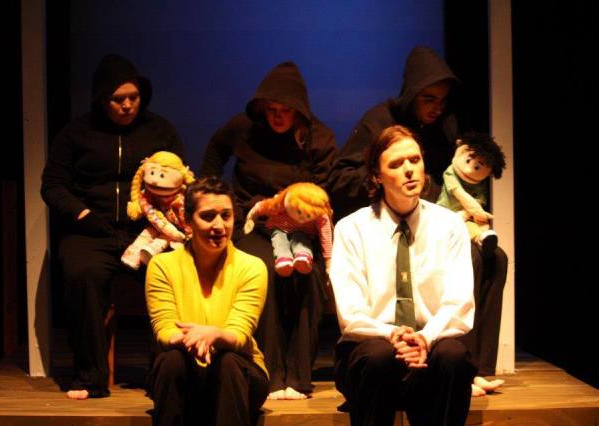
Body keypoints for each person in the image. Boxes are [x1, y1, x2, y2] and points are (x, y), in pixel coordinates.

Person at [328, 46, 507, 395]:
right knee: (468, 257)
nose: (436, 107)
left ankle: (477, 367)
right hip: (388, 217)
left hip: (437, 219)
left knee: (494, 258)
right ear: (411, 94)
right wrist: (392, 190)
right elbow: (339, 178)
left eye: (442, 100)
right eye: (428, 99)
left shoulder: (444, 125)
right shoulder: (378, 120)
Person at [41, 54, 185, 399]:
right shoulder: (76, 133)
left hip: (147, 229)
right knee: (82, 275)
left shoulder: (160, 130)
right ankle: (90, 376)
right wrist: (82, 214)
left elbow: (179, 176)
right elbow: (53, 185)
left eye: (133, 98)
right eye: (118, 99)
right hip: (91, 231)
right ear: (102, 99)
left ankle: (165, 373)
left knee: (172, 272)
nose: (127, 105)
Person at [200, 61, 338, 400]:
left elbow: (323, 192)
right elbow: (215, 152)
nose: (277, 116)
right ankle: (271, 375)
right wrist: (218, 199)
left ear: (299, 110)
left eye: (285, 110)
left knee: (307, 276)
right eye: (271, 109)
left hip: (301, 228)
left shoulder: (318, 138)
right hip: (255, 223)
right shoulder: (244, 128)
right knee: (262, 271)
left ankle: (299, 377)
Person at [330, 125, 476, 425]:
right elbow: (351, 313)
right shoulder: (352, 229)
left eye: (414, 159)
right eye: (396, 164)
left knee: (453, 357)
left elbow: (459, 302)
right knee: (378, 357)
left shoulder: (450, 225)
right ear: (376, 176)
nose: (409, 169)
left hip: (430, 343)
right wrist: (392, 335)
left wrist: (424, 338)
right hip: (373, 345)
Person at [146, 177, 269, 426]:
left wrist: (215, 335)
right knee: (172, 361)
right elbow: (165, 327)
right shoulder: (162, 265)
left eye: (226, 216)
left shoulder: (252, 267)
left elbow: (240, 332)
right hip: (185, 370)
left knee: (228, 362)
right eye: (208, 216)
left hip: (239, 375)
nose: (219, 225)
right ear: (187, 220)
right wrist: (194, 339)